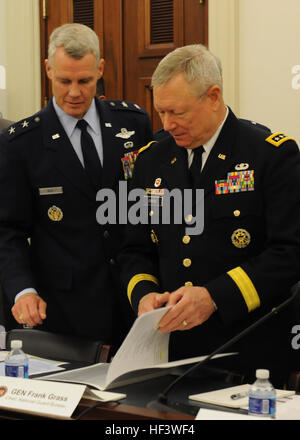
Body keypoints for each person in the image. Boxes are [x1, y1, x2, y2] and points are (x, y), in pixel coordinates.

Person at [119, 44, 300, 386]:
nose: (168, 124)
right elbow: (134, 248)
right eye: (161, 113)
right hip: (169, 353)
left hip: (247, 350)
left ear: (213, 96)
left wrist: (215, 296)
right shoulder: (150, 160)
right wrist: (144, 294)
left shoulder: (270, 155)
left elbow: (290, 252)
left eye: (178, 112)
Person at [0, 23, 152, 348]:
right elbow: (8, 231)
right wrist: (23, 290)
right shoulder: (21, 144)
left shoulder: (133, 124)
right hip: (64, 309)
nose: (74, 92)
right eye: (64, 81)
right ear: (48, 70)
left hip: (133, 299)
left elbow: (148, 207)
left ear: (100, 69)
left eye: (85, 81)